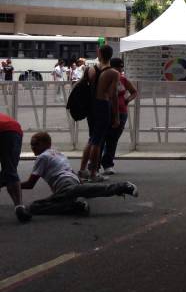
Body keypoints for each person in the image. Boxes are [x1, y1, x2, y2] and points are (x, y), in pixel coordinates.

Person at [21, 132, 137, 216]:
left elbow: (30, 184)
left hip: (64, 185)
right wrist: (80, 183)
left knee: (34, 207)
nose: (33, 147)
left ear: (46, 144)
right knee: (85, 191)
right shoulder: (57, 153)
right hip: (71, 181)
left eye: (35, 144)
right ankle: (75, 206)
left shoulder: (42, 157)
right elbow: (70, 171)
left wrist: (10, 183)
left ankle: (122, 186)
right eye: (31, 144)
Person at [78, 45, 119, 182]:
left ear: (99, 53)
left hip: (91, 107)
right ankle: (94, 173)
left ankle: (83, 170)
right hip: (103, 105)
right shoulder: (113, 73)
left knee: (91, 139)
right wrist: (116, 116)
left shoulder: (90, 69)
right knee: (97, 141)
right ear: (111, 55)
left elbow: (82, 86)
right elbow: (113, 96)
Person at [100, 57, 138, 175]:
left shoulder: (123, 79)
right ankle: (95, 164)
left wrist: (127, 100)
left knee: (113, 139)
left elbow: (134, 92)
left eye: (122, 67)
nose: (121, 69)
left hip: (121, 112)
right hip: (105, 111)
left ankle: (108, 164)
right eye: (119, 67)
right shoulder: (104, 78)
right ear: (112, 67)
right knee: (101, 138)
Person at [0, 112, 31, 222]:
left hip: (8, 130)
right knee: (10, 170)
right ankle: (19, 207)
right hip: (14, 130)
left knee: (8, 172)